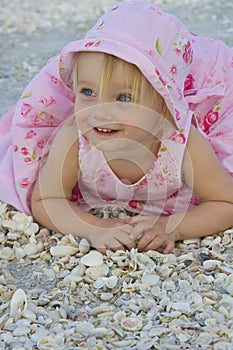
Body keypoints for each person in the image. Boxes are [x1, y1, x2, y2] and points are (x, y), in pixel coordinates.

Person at [1, 0, 233, 254]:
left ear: (165, 107)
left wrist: (173, 227)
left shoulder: (183, 143)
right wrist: (93, 228)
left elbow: (225, 202)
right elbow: (47, 199)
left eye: (123, 98)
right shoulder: (74, 136)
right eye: (88, 91)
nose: (99, 111)